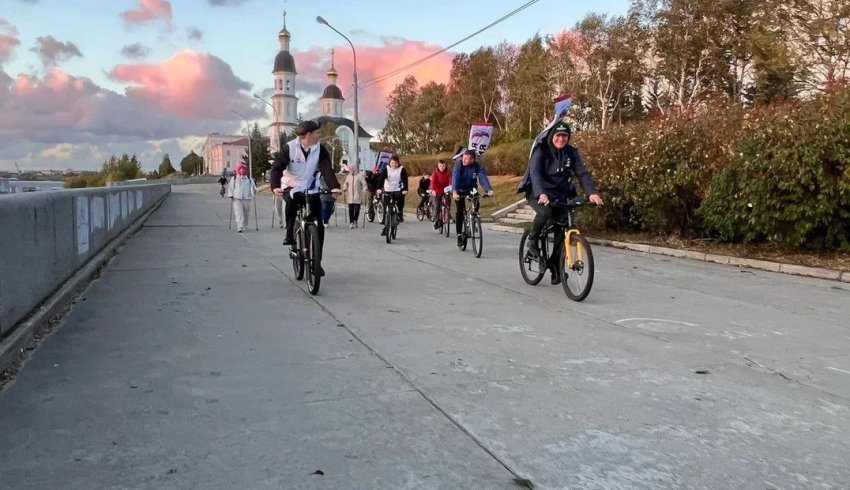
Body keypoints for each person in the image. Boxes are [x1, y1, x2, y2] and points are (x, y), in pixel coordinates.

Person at [518, 121, 604, 285]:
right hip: (537, 192)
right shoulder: (541, 150)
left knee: (563, 225)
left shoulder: (571, 152)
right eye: (558, 135)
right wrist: (541, 193)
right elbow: (535, 174)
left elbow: (582, 173)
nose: (561, 139)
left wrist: (591, 193)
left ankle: (555, 265)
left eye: (565, 136)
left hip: (560, 194)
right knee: (545, 213)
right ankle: (533, 241)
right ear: (552, 136)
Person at [269, 120, 341, 276]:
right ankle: (289, 234)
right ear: (309, 134)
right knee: (291, 202)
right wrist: (275, 186)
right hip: (291, 185)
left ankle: (317, 262)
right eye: (316, 133)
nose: (319, 136)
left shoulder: (319, 149)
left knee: (319, 224)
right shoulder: (289, 148)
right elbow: (277, 168)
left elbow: (327, 169)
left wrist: (334, 187)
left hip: (310, 187)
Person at [452, 149, 494, 246]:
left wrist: (488, 189)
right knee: (460, 211)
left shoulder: (476, 166)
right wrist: (454, 192)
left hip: (471, 188)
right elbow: (456, 177)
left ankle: (473, 220)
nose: (464, 160)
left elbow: (482, 177)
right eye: (463, 158)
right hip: (459, 189)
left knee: (476, 201)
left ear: (472, 160)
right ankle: (459, 235)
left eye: (466, 159)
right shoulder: (459, 165)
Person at [376, 154, 409, 236]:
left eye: (396, 163)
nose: (394, 165)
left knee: (401, 199)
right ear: (390, 162)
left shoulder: (402, 169)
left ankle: (400, 213)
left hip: (398, 189)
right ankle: (385, 227)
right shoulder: (386, 169)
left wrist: (405, 189)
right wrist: (379, 188)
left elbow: (405, 180)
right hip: (388, 189)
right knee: (386, 208)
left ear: (398, 163)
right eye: (392, 162)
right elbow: (381, 178)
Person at [227, 163, 256, 232]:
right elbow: (231, 187)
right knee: (239, 213)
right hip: (237, 198)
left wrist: (253, 191)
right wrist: (231, 195)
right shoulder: (234, 178)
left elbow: (253, 187)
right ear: (238, 171)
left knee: (246, 213)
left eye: (243, 170)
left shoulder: (249, 179)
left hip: (247, 198)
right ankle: (239, 226)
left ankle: (245, 225)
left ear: (245, 171)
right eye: (240, 170)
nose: (242, 172)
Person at [429, 159, 452, 230]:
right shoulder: (435, 173)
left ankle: (446, 213)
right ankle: (436, 220)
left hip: (446, 190)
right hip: (437, 190)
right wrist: (433, 190)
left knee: (448, 202)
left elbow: (451, 181)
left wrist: (451, 187)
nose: (442, 167)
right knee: (437, 206)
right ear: (438, 166)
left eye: (443, 166)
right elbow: (433, 183)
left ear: (445, 166)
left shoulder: (448, 173)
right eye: (440, 166)